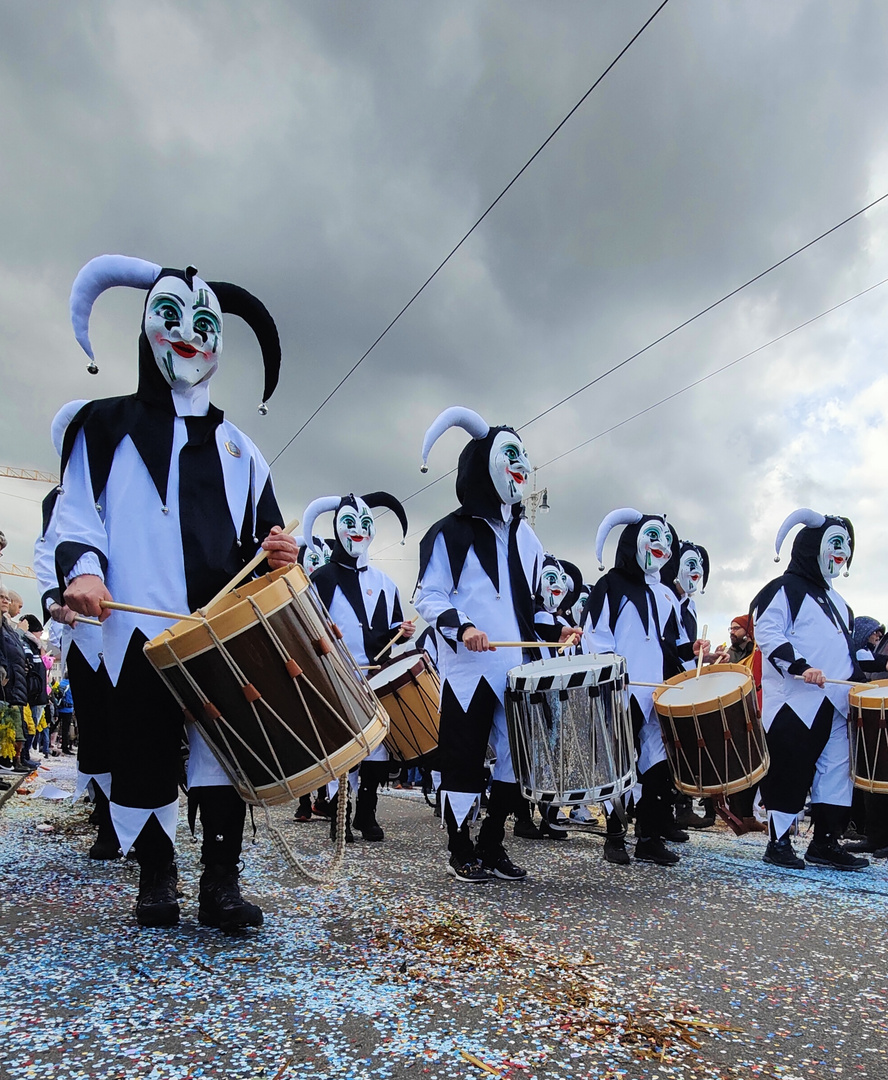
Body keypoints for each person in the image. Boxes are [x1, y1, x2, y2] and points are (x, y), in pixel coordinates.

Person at [53, 254, 299, 929]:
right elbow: (76, 517)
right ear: (146, 328)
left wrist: (282, 555)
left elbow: (266, 546)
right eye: (171, 318)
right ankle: (156, 875)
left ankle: (220, 882)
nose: (188, 335)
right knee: (144, 754)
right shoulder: (99, 429)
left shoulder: (244, 451)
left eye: (203, 324)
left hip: (222, 632)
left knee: (223, 759)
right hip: (138, 626)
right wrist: (84, 572)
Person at [414, 406, 577, 883]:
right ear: (483, 463)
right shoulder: (448, 532)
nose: (521, 465)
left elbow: (530, 605)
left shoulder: (528, 537)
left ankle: (493, 843)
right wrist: (463, 627)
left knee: (517, 759)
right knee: (462, 760)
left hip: (519, 667)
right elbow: (428, 594)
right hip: (469, 668)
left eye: (524, 456)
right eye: (511, 455)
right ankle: (460, 848)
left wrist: (555, 632)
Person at [584, 509, 709, 867]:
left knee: (657, 767)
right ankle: (614, 836)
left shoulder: (667, 596)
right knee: (620, 763)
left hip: (658, 693)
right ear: (633, 540)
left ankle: (649, 838)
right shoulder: (610, 586)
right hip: (622, 690)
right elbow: (596, 635)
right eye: (653, 537)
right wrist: (611, 673)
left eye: (667, 540)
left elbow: (673, 644)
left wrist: (693, 652)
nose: (662, 546)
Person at [752, 508, 870, 871]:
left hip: (836, 700)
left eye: (847, 546)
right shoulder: (783, 588)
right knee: (790, 768)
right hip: (796, 699)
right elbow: (768, 632)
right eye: (836, 543)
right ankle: (779, 841)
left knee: (836, 770)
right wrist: (801, 667)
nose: (843, 552)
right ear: (812, 546)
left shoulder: (839, 602)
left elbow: (843, 647)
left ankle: (826, 842)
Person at [301, 492, 413, 842]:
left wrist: (403, 632)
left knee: (377, 750)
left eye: (366, 524)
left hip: (375, 676)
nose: (359, 531)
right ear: (337, 527)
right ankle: (339, 816)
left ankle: (366, 813)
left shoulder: (386, 583)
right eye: (350, 524)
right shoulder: (321, 579)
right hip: (338, 676)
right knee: (344, 750)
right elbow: (308, 627)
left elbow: (395, 632)